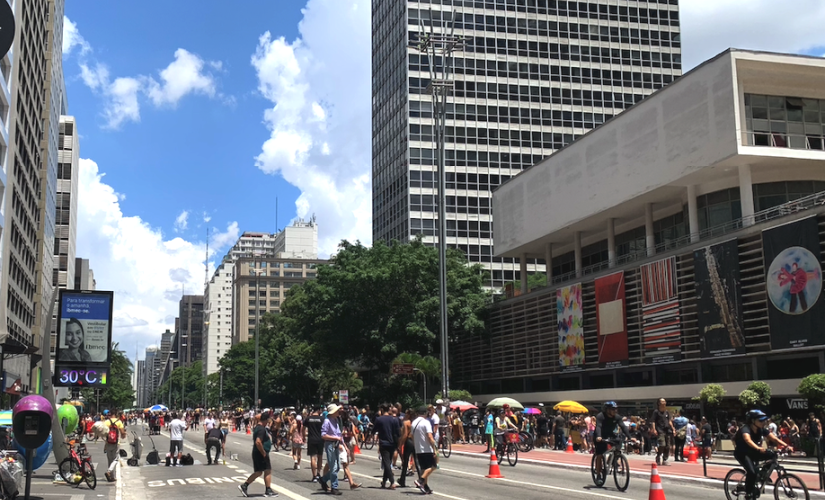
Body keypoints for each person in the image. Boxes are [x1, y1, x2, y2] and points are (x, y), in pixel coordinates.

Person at [734, 410, 791, 500]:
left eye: (764, 420)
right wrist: (758, 448)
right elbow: (748, 440)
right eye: (761, 420)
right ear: (752, 421)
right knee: (751, 472)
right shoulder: (745, 429)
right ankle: (748, 493)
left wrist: (786, 445)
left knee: (772, 455)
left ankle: (762, 475)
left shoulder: (761, 430)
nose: (763, 422)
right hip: (742, 453)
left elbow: (774, 438)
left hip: (754, 452)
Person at [238, 411, 277, 498]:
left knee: (259, 472)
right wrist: (263, 452)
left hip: (257, 452)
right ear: (266, 420)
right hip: (260, 452)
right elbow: (258, 442)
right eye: (269, 419)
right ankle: (268, 490)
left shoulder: (258, 427)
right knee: (267, 470)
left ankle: (244, 486)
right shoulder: (261, 429)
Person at [593, 402, 635, 477]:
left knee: (618, 443)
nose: (615, 411)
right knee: (599, 454)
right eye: (613, 409)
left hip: (610, 434)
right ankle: (598, 474)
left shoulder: (617, 417)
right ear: (607, 410)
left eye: (616, 409)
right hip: (600, 435)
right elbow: (598, 427)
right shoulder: (600, 416)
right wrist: (598, 436)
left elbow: (623, 426)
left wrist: (629, 437)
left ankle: (613, 459)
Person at [319, 404, 345, 495]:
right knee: (333, 467)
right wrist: (335, 438)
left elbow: (338, 434)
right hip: (330, 444)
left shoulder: (335, 420)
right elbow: (323, 435)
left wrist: (341, 442)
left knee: (337, 466)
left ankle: (323, 479)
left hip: (336, 444)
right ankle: (334, 487)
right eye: (337, 410)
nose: (339, 412)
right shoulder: (327, 421)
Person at [412, 406, 438, 494]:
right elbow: (430, 436)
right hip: (426, 448)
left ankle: (425, 487)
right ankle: (421, 480)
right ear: (425, 413)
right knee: (433, 466)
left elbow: (412, 436)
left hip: (418, 449)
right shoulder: (426, 422)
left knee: (424, 469)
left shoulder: (414, 423)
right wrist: (435, 448)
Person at [375, 404, 401, 489]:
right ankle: (384, 481)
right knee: (388, 462)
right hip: (392, 443)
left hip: (384, 443)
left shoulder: (379, 419)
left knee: (386, 463)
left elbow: (374, 430)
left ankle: (392, 482)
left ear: (382, 410)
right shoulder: (394, 419)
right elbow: (398, 433)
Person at [103, 410, 126, 482]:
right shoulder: (119, 422)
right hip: (116, 443)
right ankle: (109, 471)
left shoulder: (106, 422)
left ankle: (111, 477)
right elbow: (122, 432)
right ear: (116, 414)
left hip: (108, 442)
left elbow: (103, 431)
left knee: (110, 459)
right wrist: (124, 434)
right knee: (116, 458)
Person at [651, 398, 674, 465]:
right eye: (662, 401)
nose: (664, 402)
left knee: (668, 446)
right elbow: (653, 421)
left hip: (667, 430)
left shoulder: (667, 412)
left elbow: (669, 421)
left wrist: (673, 428)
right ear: (659, 403)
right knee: (662, 445)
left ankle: (665, 459)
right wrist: (654, 429)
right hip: (660, 430)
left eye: (664, 401)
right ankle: (658, 456)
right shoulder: (656, 412)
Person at [304, 407, 324, 483]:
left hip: (311, 439)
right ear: (318, 410)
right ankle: (319, 473)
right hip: (320, 439)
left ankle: (314, 476)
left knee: (313, 458)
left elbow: (303, 428)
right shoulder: (322, 419)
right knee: (320, 457)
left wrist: (303, 437)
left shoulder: (308, 418)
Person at [397, 408, 416, 488]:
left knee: (405, 462)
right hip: (415, 441)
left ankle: (402, 479)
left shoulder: (406, 422)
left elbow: (405, 435)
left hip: (408, 442)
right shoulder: (415, 422)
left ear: (408, 414)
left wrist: (400, 444)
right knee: (417, 461)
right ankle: (422, 480)